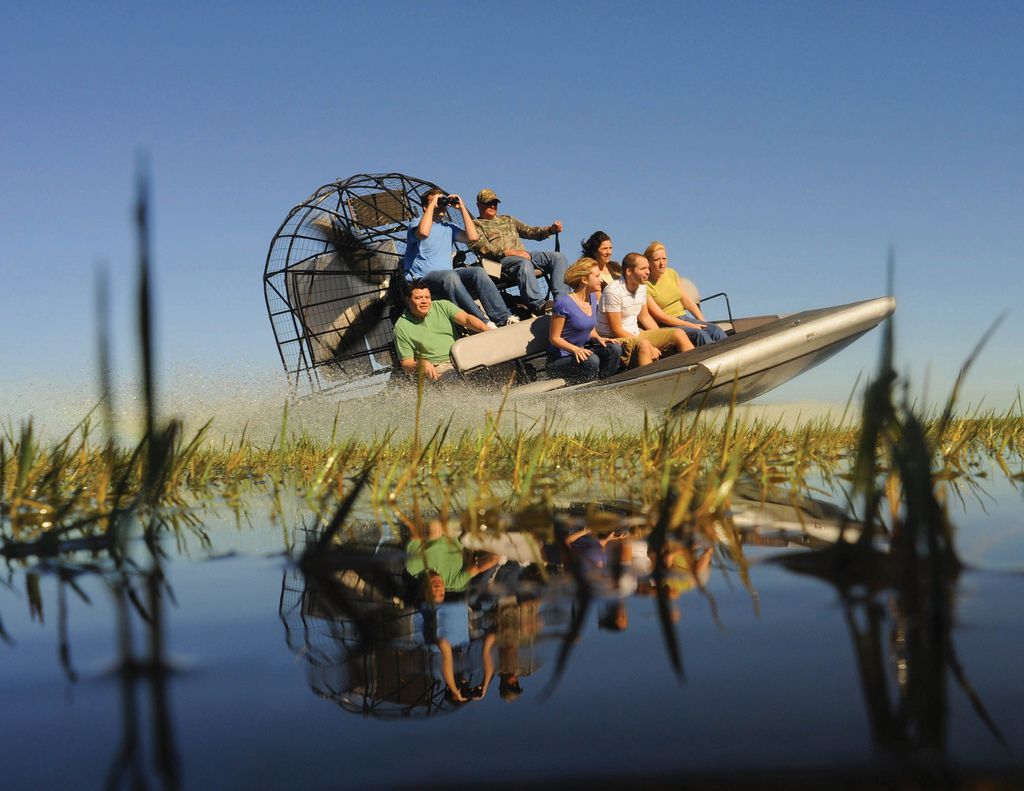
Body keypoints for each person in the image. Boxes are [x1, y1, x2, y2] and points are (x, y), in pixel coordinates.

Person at [403, 187, 518, 327]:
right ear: (425, 207)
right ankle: (481, 322)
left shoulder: (448, 227)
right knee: (450, 277)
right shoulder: (416, 223)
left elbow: (472, 237)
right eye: (437, 202)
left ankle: (503, 318)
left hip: (448, 276)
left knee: (478, 272)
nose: (441, 206)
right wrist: (433, 204)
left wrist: (462, 208)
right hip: (423, 280)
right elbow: (423, 233)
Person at [471, 188, 569, 313]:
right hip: (501, 263)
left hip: (525, 255)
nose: (492, 206)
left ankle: (563, 302)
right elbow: (484, 248)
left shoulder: (508, 219)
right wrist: (511, 252)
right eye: (488, 203)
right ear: (479, 205)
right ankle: (538, 305)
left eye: (495, 203)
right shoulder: (476, 225)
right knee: (523, 264)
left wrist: (550, 230)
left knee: (558, 257)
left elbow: (530, 231)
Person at [596, 252, 694, 368]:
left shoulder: (642, 287)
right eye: (643, 269)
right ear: (629, 272)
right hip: (615, 339)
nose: (648, 272)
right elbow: (616, 329)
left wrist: (659, 337)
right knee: (645, 345)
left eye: (648, 268)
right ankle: (650, 383)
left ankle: (696, 370)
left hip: (635, 333)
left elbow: (645, 317)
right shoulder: (613, 291)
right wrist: (651, 347)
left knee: (678, 333)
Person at [393, 281, 491, 381]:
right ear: (408, 300)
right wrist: (421, 364)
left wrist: (487, 330)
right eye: (418, 298)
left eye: (427, 297)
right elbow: (406, 364)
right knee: (457, 380)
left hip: (461, 357)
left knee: (492, 367)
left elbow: (466, 319)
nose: (424, 301)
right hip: (438, 368)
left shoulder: (443, 306)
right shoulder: (401, 327)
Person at [546, 258, 622, 383]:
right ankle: (588, 391)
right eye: (597, 276)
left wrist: (599, 338)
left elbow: (587, 328)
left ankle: (604, 385)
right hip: (559, 360)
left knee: (614, 349)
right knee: (592, 360)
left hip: (581, 353)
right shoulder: (563, 303)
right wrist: (575, 349)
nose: (601, 280)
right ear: (584, 279)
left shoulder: (591, 298)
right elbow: (554, 338)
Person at [643, 241, 727, 346]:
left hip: (684, 317)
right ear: (649, 262)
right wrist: (690, 325)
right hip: (669, 324)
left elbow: (686, 301)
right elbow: (661, 317)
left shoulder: (671, 273)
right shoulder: (645, 285)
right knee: (699, 334)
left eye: (664, 259)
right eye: (656, 260)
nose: (662, 263)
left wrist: (703, 322)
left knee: (715, 329)